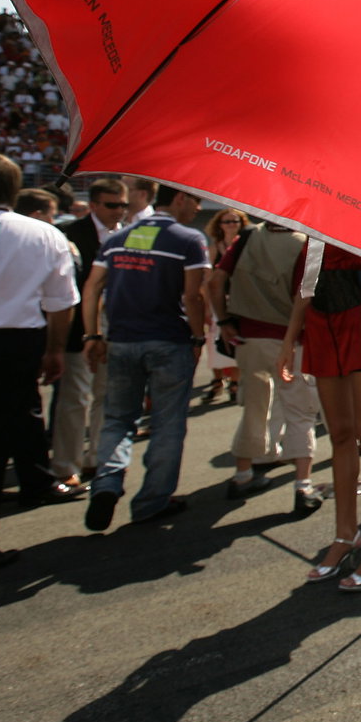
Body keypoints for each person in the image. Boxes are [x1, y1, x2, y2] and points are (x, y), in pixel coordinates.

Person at [81, 185, 209, 530]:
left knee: (117, 419)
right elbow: (194, 296)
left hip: (121, 340)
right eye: (195, 201)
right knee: (168, 423)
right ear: (180, 199)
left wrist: (93, 334)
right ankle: (152, 502)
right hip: (169, 341)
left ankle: (106, 484)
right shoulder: (189, 239)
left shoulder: (118, 237)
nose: (197, 209)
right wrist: (198, 337)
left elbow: (92, 287)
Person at [277, 239, 361, 591]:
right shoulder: (312, 232)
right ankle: (346, 535)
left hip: (360, 319)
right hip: (319, 326)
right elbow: (305, 287)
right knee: (341, 435)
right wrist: (289, 340)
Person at [0, 153, 80, 568]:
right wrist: (55, 349)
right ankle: (34, 483)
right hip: (17, 342)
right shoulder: (43, 234)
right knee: (14, 421)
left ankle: (35, 480)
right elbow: (61, 303)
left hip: (15, 337)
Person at [210, 217, 322, 513]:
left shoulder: (247, 236)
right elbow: (304, 296)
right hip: (289, 337)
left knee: (254, 406)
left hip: (248, 336)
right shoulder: (304, 243)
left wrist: (223, 321)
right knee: (300, 410)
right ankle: (302, 485)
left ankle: (243, 473)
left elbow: (216, 280)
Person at [50, 177, 128, 492]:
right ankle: (66, 467)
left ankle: (97, 459)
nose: (118, 211)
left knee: (107, 397)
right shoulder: (67, 234)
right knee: (74, 398)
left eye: (123, 205)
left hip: (118, 326)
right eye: (112, 205)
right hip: (80, 327)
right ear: (93, 204)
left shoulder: (131, 234)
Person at [201, 208, 249, 404]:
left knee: (236, 339)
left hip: (239, 300)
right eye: (227, 222)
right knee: (214, 340)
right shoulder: (214, 248)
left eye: (235, 221)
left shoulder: (245, 245)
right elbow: (207, 280)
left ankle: (235, 382)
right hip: (217, 300)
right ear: (219, 226)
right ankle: (218, 379)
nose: (231, 225)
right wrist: (206, 305)